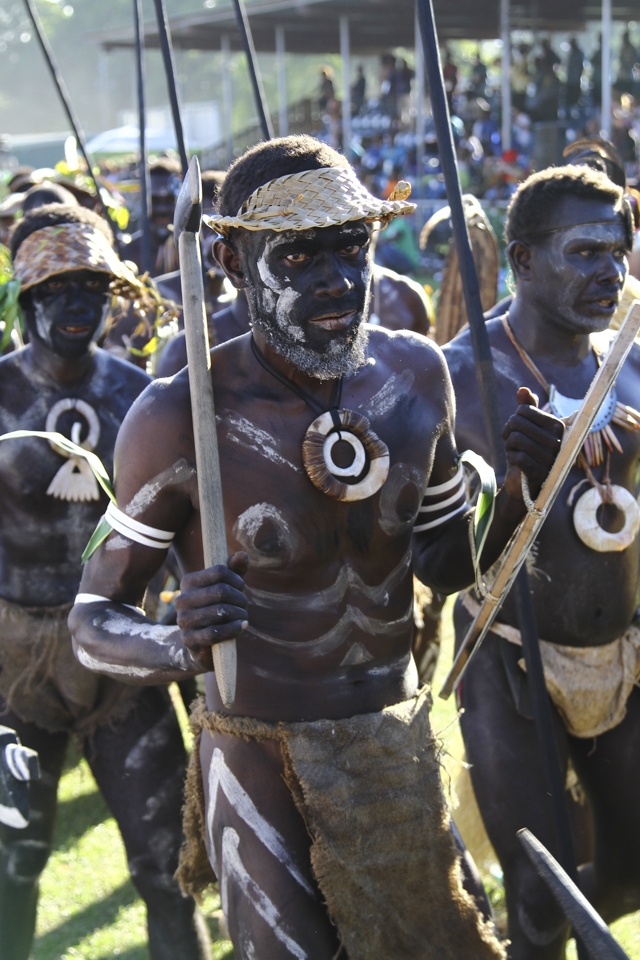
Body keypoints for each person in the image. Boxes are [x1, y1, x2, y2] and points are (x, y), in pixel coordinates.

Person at [68, 134, 563, 959]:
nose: (337, 280)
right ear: (228, 259)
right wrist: (176, 641)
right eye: (298, 257)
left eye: (352, 248)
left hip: (392, 745)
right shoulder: (178, 416)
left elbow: (447, 566)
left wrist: (515, 494)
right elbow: (91, 619)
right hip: (258, 750)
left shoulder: (415, 380)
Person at [0, 204, 209, 960]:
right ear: (28, 302)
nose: (78, 304)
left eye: (93, 286)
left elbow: (183, 524)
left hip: (122, 659)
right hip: (11, 669)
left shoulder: (141, 398)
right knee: (12, 866)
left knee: (167, 869)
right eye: (58, 289)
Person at [443, 166, 640, 958]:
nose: (612, 274)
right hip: (509, 655)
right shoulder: (463, 375)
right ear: (521, 261)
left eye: (621, 254)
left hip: (619, 657)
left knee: (628, 877)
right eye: (586, 252)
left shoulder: (628, 358)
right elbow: (439, 562)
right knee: (540, 889)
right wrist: (520, 487)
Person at [123, 158, 182, 276]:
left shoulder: (196, 251)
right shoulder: (129, 252)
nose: (162, 210)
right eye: (154, 200)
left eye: (170, 200)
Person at [565, 37, 584, 109]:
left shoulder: (579, 54)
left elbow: (581, 68)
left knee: (575, 101)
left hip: (575, 82)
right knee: (569, 101)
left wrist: (578, 80)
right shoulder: (571, 54)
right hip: (569, 81)